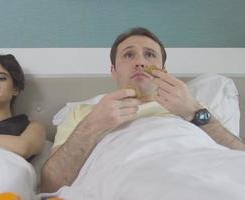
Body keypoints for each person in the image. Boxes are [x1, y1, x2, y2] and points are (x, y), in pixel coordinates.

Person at [40, 27, 245, 192]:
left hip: (203, 167)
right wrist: (93, 124)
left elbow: (238, 155)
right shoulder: (84, 112)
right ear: (113, 70)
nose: (140, 62)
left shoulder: (193, 106)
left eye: (150, 55)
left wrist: (194, 112)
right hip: (128, 175)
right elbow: (51, 184)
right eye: (129, 55)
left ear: (163, 70)